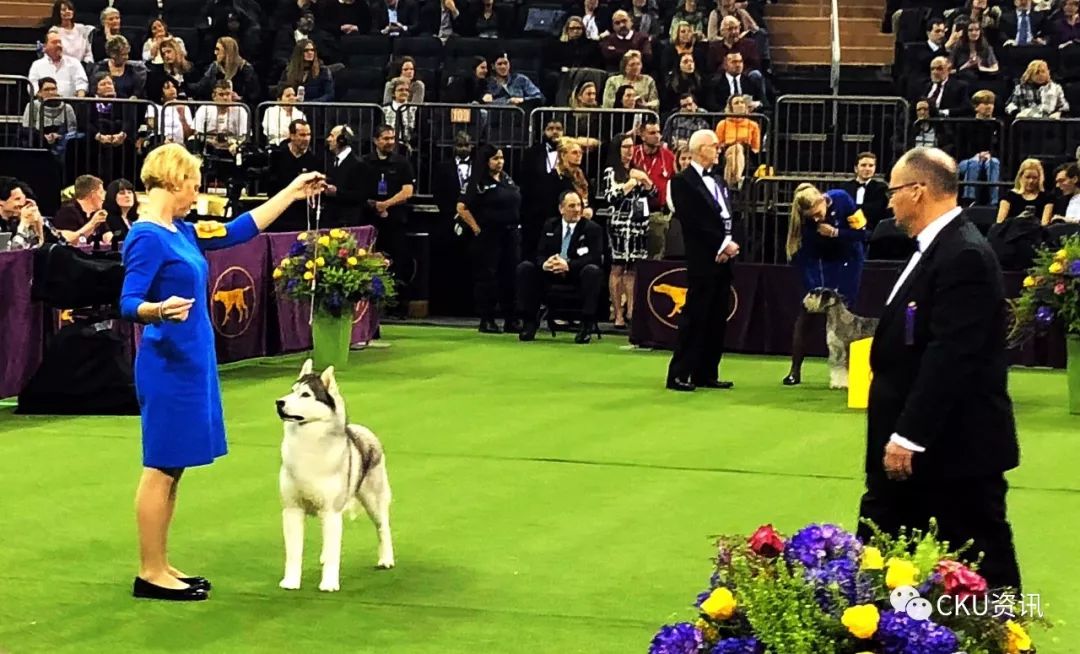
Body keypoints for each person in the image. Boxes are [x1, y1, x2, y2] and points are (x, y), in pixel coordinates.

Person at [119, 143, 324, 601]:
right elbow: (128, 301)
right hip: (168, 364)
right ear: (173, 180)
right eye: (193, 183)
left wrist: (291, 192)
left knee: (174, 468)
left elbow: (239, 229)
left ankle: (161, 562)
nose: (197, 192)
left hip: (192, 361)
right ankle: (150, 572)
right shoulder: (148, 236)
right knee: (160, 467)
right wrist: (158, 310)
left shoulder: (181, 231)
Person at [857, 146, 1021, 591]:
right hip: (923, 450)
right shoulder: (937, 249)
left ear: (918, 190)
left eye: (892, 191)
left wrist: (909, 435)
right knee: (882, 548)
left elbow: (951, 356)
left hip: (951, 450)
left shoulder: (963, 254)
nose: (888, 202)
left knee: (982, 563)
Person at [665, 130, 738, 392]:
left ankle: (706, 372)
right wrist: (721, 244)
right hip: (702, 258)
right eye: (714, 147)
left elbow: (727, 215)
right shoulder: (681, 181)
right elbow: (693, 221)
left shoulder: (718, 180)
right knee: (695, 316)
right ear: (700, 149)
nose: (718, 150)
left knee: (717, 317)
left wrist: (730, 243)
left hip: (724, 259)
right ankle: (679, 373)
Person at [781, 184, 867, 386]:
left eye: (819, 213)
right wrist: (814, 288)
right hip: (821, 264)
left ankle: (847, 374)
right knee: (806, 316)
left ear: (823, 200)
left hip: (848, 261)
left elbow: (862, 233)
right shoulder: (804, 220)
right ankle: (795, 370)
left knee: (846, 320)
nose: (817, 219)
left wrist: (836, 233)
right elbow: (806, 257)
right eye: (812, 217)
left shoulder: (844, 199)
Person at [516, 190, 604, 343]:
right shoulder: (550, 225)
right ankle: (529, 322)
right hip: (551, 273)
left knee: (593, 272)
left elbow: (595, 257)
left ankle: (586, 325)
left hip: (576, 274)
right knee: (525, 268)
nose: (577, 209)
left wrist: (568, 265)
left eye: (579, 205)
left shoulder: (592, 229)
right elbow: (540, 253)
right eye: (571, 206)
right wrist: (545, 264)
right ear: (561, 209)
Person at [456, 143, 522, 334]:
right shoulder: (477, 182)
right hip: (488, 236)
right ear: (485, 161)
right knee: (488, 278)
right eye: (495, 159)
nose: (500, 162)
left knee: (510, 276)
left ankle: (511, 318)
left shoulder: (507, 179)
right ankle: (487, 319)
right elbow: (461, 207)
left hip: (510, 234)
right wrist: (476, 229)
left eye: (501, 158)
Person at [601, 134, 654, 328]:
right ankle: (618, 313)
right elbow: (609, 197)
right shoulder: (611, 172)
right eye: (625, 147)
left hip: (638, 225)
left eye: (631, 146)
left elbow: (653, 194)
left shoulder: (637, 170)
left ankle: (632, 310)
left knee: (633, 269)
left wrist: (646, 182)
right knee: (618, 267)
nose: (629, 150)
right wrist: (629, 184)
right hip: (619, 225)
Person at [104, 178, 139, 242]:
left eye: (130, 192)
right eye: (122, 193)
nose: (127, 196)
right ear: (112, 196)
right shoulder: (107, 219)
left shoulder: (136, 218)